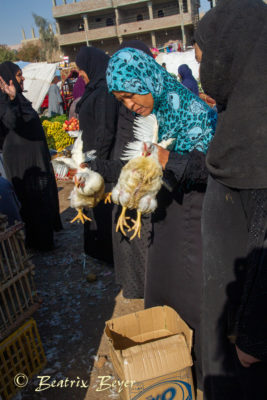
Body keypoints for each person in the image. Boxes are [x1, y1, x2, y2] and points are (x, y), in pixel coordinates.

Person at [106, 46, 217, 392]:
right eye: (122, 100)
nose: (130, 105)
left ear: (148, 80)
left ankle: (197, 369)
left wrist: (170, 159)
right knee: (165, 290)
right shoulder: (154, 117)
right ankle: (167, 363)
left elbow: (214, 170)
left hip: (195, 218)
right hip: (166, 218)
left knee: (193, 295)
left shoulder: (194, 110)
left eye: (131, 94)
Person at [195, 0, 267, 399]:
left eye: (204, 59)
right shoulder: (237, 122)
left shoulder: (260, 140)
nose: (205, 72)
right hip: (229, 334)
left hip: (247, 355)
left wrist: (254, 338)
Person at [85, 40, 154, 299]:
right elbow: (126, 153)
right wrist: (96, 167)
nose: (128, 102)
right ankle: (140, 290)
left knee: (146, 239)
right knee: (130, 238)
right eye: (122, 98)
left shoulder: (157, 105)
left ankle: (153, 293)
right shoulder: (127, 106)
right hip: (126, 177)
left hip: (150, 188)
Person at [0, 62, 62, 251]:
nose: (23, 78)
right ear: (8, 78)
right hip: (22, 162)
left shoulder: (21, 99)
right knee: (31, 199)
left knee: (42, 195)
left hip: (36, 157)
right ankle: (38, 242)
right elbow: (10, 122)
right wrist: (11, 99)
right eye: (19, 75)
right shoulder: (4, 102)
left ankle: (46, 237)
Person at [75, 46, 119, 263]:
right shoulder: (94, 88)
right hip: (92, 159)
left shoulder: (103, 91)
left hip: (100, 162)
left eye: (81, 69)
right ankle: (98, 250)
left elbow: (105, 130)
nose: (81, 74)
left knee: (101, 206)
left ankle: (107, 253)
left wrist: (96, 163)